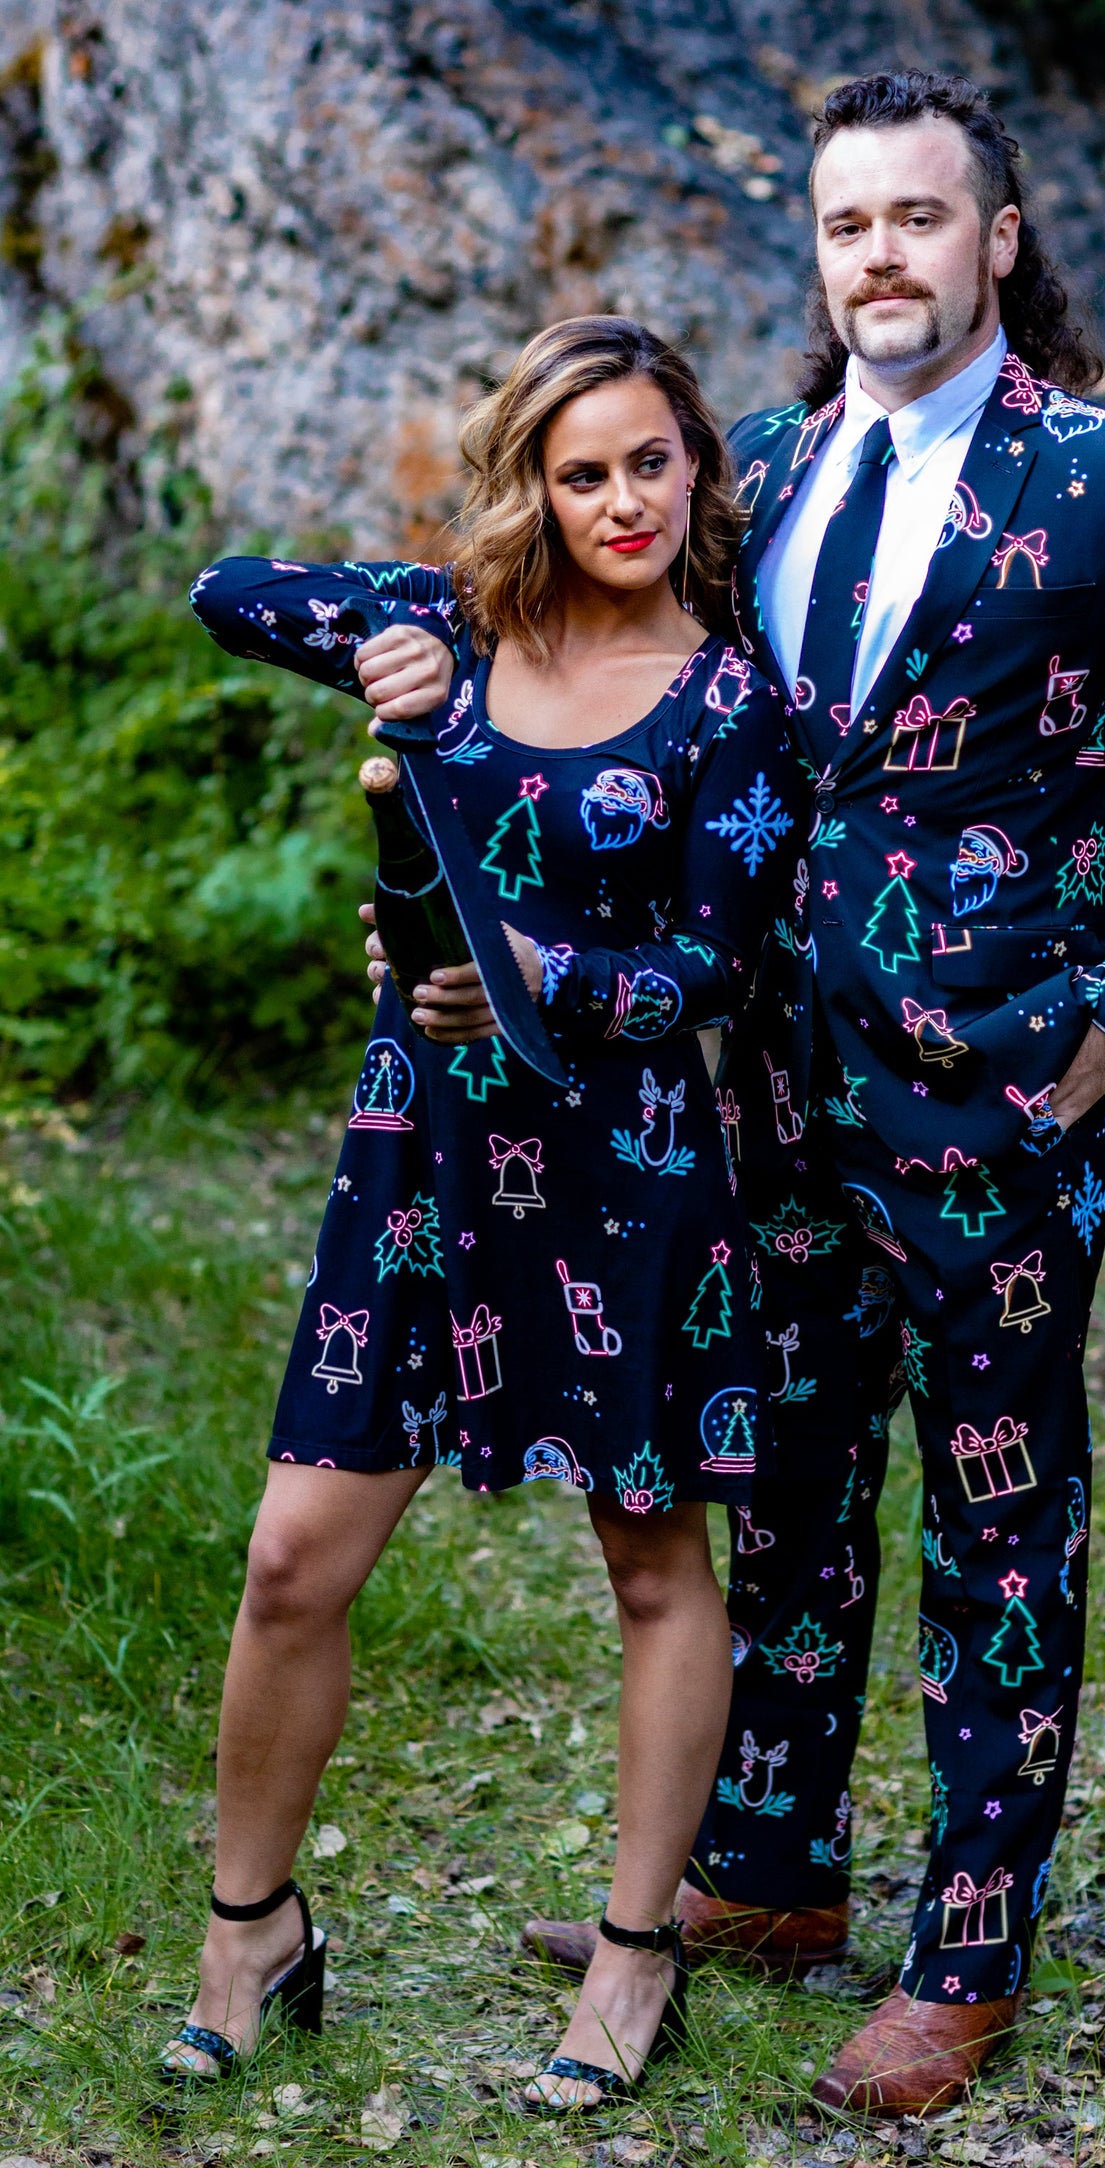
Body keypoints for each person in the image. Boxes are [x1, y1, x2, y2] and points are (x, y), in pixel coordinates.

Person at [394, 71, 1105, 2113]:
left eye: (921, 217)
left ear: (996, 238)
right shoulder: (757, 469)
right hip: (771, 1091)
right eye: (849, 226)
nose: (883, 257)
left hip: (1003, 1108)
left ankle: (967, 1954)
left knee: (1001, 1519)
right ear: (819, 253)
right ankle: (767, 1871)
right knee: (793, 1488)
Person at [169, 318, 804, 2111]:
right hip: (421, 1161)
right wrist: (406, 643)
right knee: (293, 1559)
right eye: (578, 472)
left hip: (626, 1169)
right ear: (533, 484)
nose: (620, 502)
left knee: (653, 1565)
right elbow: (228, 593)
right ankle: (250, 1932)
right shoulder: (454, 631)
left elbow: (716, 967)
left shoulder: (729, 703)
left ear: (698, 471)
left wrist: (544, 973)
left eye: (648, 463)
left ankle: (634, 1953)